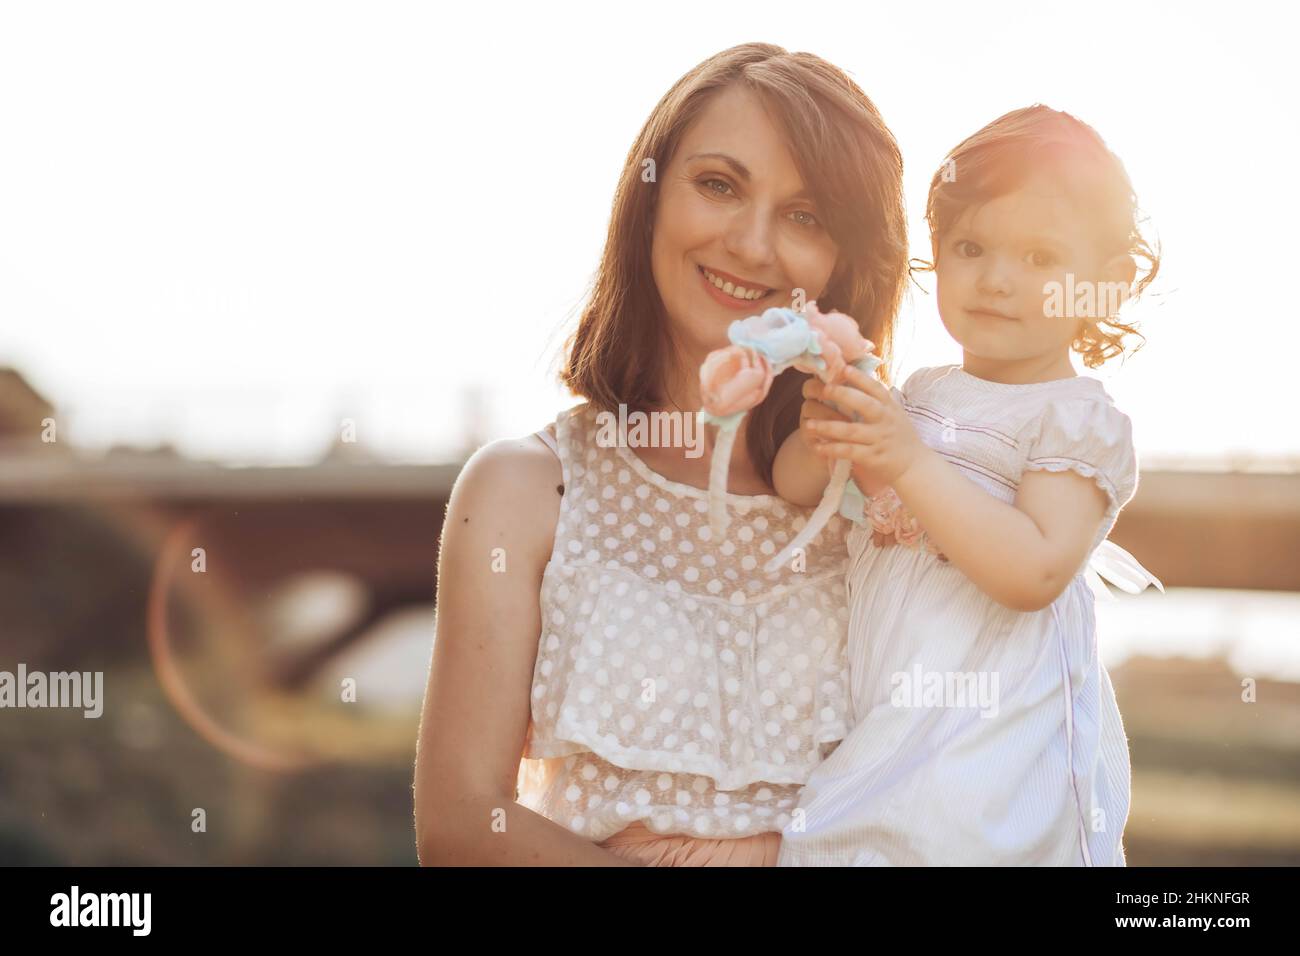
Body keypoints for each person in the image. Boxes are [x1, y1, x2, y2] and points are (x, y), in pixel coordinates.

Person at [413, 42, 909, 865]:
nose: (753, 244)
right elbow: (464, 823)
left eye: (806, 215)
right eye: (719, 185)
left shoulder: (881, 500)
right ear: (647, 200)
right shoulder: (526, 489)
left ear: (845, 261)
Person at [772, 106, 1160, 865]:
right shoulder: (917, 393)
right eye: (971, 246)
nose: (998, 279)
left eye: (1041, 257)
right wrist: (829, 426)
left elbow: (1033, 571)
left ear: (1105, 289)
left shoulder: (1074, 419)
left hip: (997, 747)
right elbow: (794, 486)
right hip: (886, 726)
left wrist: (910, 462)